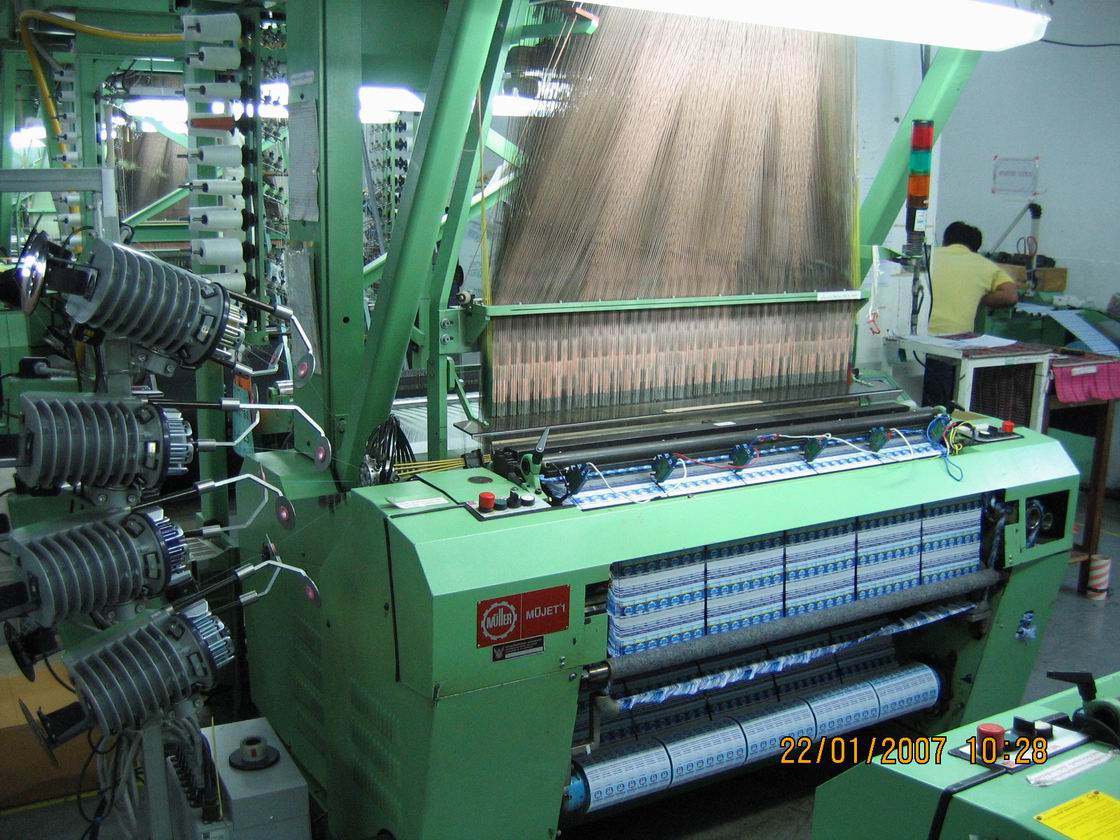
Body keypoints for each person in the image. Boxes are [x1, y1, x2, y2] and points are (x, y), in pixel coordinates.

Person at [921, 222, 1018, 408]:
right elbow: (1010, 296)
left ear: (945, 240)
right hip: (952, 348)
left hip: (915, 341)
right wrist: (979, 296)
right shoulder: (985, 265)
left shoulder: (927, 255)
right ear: (976, 248)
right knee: (942, 406)